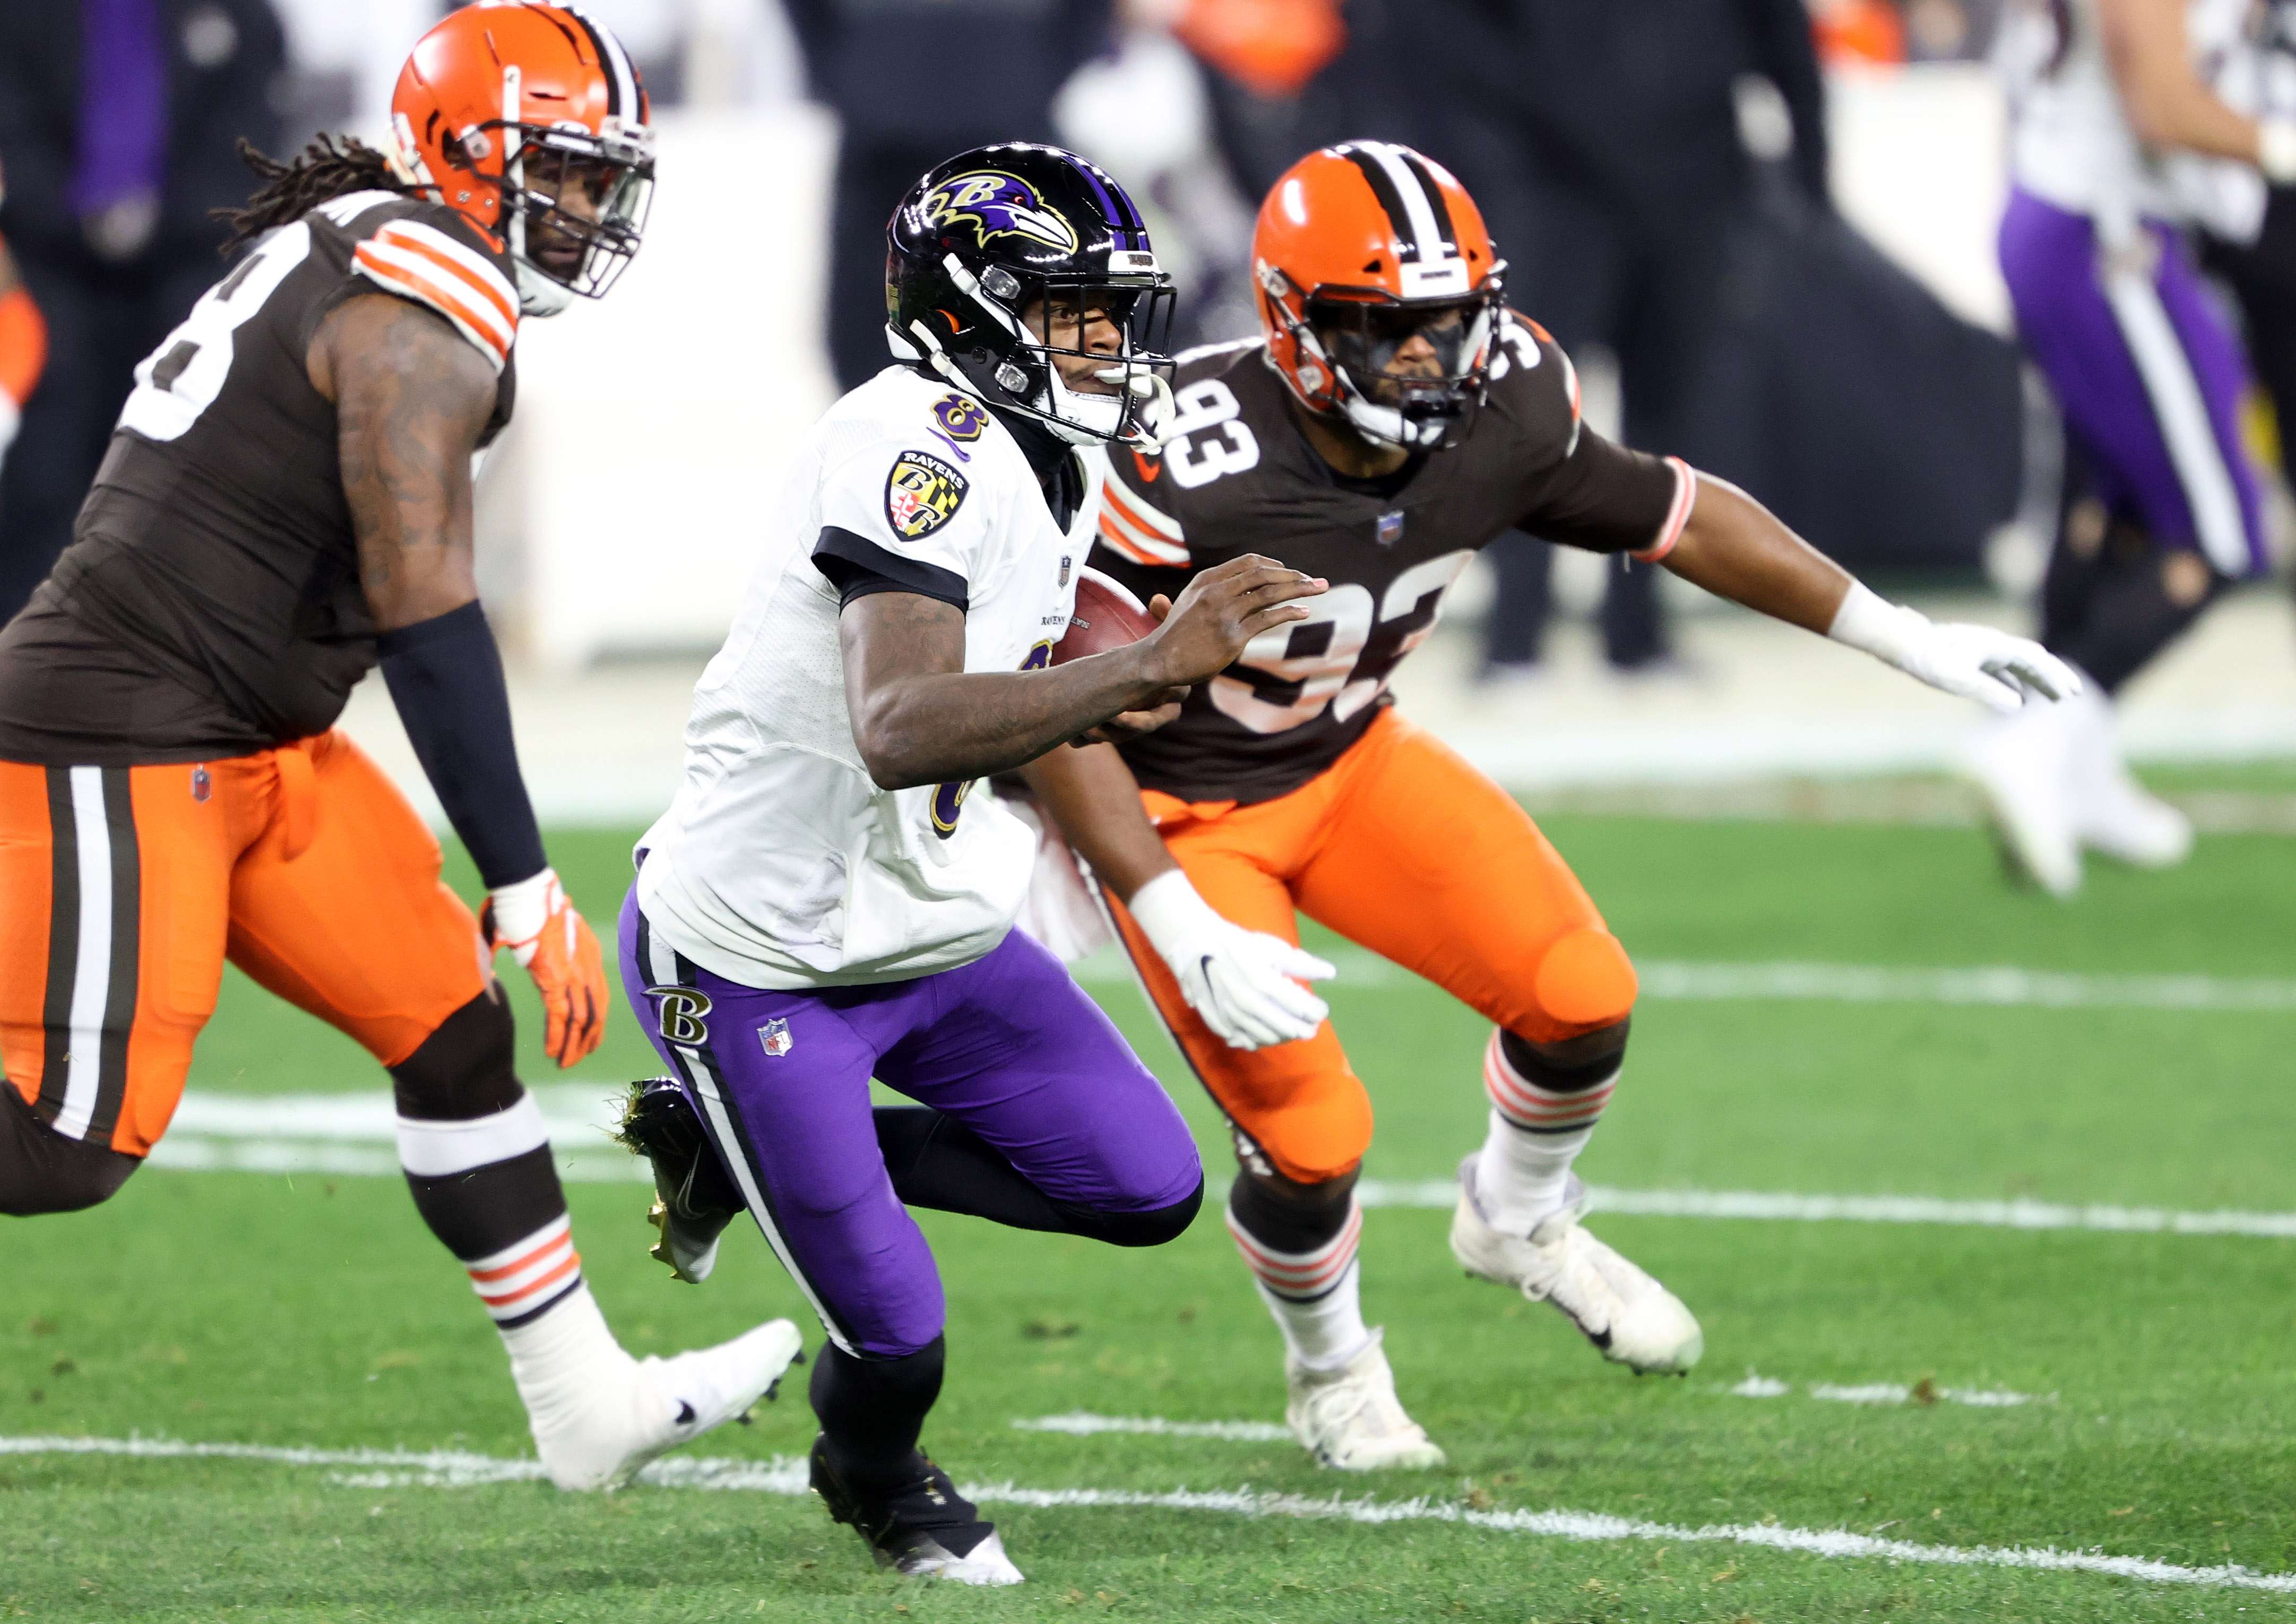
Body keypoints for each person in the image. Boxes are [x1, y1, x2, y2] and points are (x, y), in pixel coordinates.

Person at [1025, 141, 2079, 1471]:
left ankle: (1517, 1216)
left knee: (1581, 993)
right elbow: (1051, 702)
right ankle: (1332, 1369)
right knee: (1314, 1135)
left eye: (1448, 317)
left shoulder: (1508, 397)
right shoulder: (1176, 448)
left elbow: (1672, 512)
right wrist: (1170, 914)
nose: (1429, 355)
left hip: (1349, 758)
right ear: (1294, 321)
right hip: (1177, 808)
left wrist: (1902, 636)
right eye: (1387, 326)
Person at [0, 3, 798, 1492]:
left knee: (448, 1028)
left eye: (596, 177)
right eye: (553, 172)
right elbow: (425, 610)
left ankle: (584, 1406)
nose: (580, 208)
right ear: (457, 151)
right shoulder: (413, 286)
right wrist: (521, 881)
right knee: (64, 1141)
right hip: (130, 720)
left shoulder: (381, 245)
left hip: (255, 734)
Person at [612, 142, 1325, 1585]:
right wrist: (1152, 656)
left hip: (923, 928)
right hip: (764, 953)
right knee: (898, 1327)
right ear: (969, 309)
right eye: (1074, 311)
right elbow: (898, 723)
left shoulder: (1034, 452)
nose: (1108, 343)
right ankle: (872, 1476)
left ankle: (725, 1153)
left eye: (1112, 311)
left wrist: (1164, 898)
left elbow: (1017, 698)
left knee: (1143, 1185)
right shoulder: (916, 442)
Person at [1980, 0, 2294, 895]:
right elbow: (2161, 104)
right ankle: (2038, 738)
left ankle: (2076, 766)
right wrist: (2279, 150)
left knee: (2108, 506)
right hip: (2105, 234)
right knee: (2219, 533)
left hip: (2093, 222)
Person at [0, 0, 288, 624]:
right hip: (51, 276)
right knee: (41, 481)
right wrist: (79, 221)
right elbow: (13, 128)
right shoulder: (21, 15)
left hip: (191, 277)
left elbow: (251, 145)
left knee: (191, 490)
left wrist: (158, 226)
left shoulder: (243, 14)